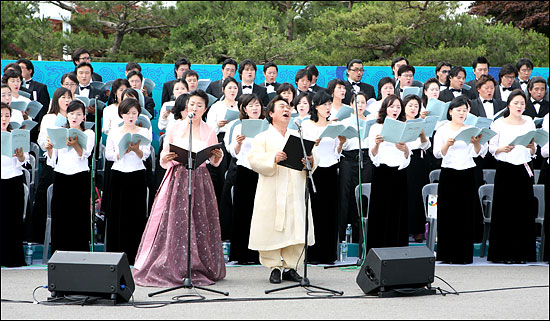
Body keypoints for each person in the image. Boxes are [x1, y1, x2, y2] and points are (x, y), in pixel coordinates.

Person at [134, 89, 225, 287]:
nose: (195, 108)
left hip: (200, 178)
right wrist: (166, 159)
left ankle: (199, 265)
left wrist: (217, 157)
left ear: (205, 109)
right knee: (177, 220)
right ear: (186, 106)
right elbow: (165, 155)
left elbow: (214, 158)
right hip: (178, 177)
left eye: (199, 105)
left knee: (199, 219)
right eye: (192, 104)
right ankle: (174, 264)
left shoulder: (209, 130)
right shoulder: (175, 126)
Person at [248, 95, 318, 283]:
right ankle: (274, 267)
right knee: (270, 227)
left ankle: (291, 267)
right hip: (271, 190)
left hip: (295, 189)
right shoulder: (262, 137)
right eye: (281, 107)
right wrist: (272, 158)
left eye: (288, 107)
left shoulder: (298, 136)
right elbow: (254, 160)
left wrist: (310, 161)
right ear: (271, 113)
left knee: (295, 228)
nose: (287, 110)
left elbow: (313, 159)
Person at [433, 96, 485, 264]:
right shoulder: (442, 129)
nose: (462, 113)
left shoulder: (471, 128)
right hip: (449, 173)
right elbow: (436, 153)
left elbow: (478, 153)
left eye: (465, 110)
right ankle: (446, 254)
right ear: (450, 111)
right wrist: (447, 144)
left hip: (467, 172)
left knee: (465, 213)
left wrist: (476, 143)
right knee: (448, 213)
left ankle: (463, 255)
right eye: (459, 110)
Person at [488, 89, 537, 264]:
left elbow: (533, 150)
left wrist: (531, 147)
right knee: (505, 211)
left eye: (522, 103)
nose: (519, 106)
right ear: (508, 104)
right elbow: (492, 148)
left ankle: (522, 254)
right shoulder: (499, 123)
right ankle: (503, 254)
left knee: (523, 211)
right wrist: (502, 149)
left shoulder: (529, 121)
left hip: (523, 170)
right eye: (516, 103)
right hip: (505, 169)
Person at [104, 98, 151, 265]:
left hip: (137, 174)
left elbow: (145, 155)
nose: (131, 116)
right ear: (121, 114)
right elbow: (108, 154)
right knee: (118, 215)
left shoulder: (144, 131)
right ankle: (116, 255)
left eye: (134, 113)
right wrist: (121, 153)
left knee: (136, 215)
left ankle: (135, 255)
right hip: (118, 174)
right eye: (127, 113)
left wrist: (136, 149)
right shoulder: (114, 132)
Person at [45, 100, 96, 253]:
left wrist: (75, 145)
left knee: (78, 215)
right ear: (67, 115)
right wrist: (49, 149)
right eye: (72, 114)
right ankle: (59, 252)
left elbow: (85, 155)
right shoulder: (59, 132)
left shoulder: (89, 133)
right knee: (61, 215)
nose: (75, 117)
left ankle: (79, 252)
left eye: (79, 114)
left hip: (79, 177)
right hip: (61, 176)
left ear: (84, 117)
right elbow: (53, 161)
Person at [301, 91, 344, 264]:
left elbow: (336, 153)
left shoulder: (334, 125)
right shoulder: (307, 125)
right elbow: (303, 149)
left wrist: (340, 142)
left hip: (331, 169)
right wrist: (314, 144)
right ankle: (312, 253)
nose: (328, 108)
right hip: (314, 171)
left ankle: (328, 254)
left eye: (329, 105)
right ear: (316, 106)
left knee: (330, 211)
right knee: (314, 211)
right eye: (324, 104)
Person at [367, 94, 411, 253]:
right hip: (382, 173)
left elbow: (408, 156)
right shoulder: (376, 128)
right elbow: (372, 155)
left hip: (399, 174)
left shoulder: (404, 126)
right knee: (380, 213)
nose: (395, 110)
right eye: (392, 106)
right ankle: (377, 251)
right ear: (385, 109)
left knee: (397, 213)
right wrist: (377, 145)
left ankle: (397, 251)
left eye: (398, 107)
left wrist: (405, 149)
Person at [225, 94, 265, 264]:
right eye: (251, 106)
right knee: (243, 212)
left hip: (263, 171)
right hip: (244, 170)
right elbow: (232, 152)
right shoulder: (238, 126)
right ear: (244, 109)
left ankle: (259, 255)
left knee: (261, 213)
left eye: (257, 105)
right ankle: (241, 254)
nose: (255, 108)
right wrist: (239, 143)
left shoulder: (268, 126)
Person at [31, 87, 73, 243]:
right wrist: (47, 144)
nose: (67, 100)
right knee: (46, 198)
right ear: (56, 99)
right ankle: (41, 237)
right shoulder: (49, 118)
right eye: (63, 97)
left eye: (69, 97)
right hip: (52, 162)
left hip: (70, 164)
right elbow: (41, 139)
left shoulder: (74, 117)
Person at [206, 77, 240, 240]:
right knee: (220, 181)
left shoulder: (241, 105)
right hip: (219, 142)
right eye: (230, 88)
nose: (233, 91)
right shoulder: (216, 106)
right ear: (223, 90)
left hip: (237, 142)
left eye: (235, 88)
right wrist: (219, 124)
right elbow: (208, 128)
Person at [338, 92, 373, 250]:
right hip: (348, 159)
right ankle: (341, 237)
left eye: (363, 102)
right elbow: (340, 147)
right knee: (345, 195)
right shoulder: (344, 122)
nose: (360, 105)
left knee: (363, 198)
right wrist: (342, 141)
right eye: (357, 102)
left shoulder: (371, 122)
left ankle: (362, 239)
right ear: (351, 104)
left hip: (366, 159)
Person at [1, 103, 28, 267]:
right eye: (1, 115)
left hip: (14, 179)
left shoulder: (15, 135)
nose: (4, 119)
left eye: (6, 115)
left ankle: (13, 258)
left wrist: (19, 156)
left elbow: (24, 160)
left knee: (14, 219)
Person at [403, 95, 431, 242]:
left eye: (416, 106)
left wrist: (423, 136)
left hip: (419, 161)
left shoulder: (423, 123)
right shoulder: (399, 123)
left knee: (417, 196)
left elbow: (427, 147)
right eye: (410, 105)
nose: (413, 108)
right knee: (405, 195)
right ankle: (404, 229)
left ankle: (418, 230)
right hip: (403, 159)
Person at [17, 59, 51, 142]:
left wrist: (40, 124)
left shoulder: (40, 87)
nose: (18, 70)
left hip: (34, 125)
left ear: (30, 70)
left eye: (21, 68)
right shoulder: (13, 87)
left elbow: (44, 107)